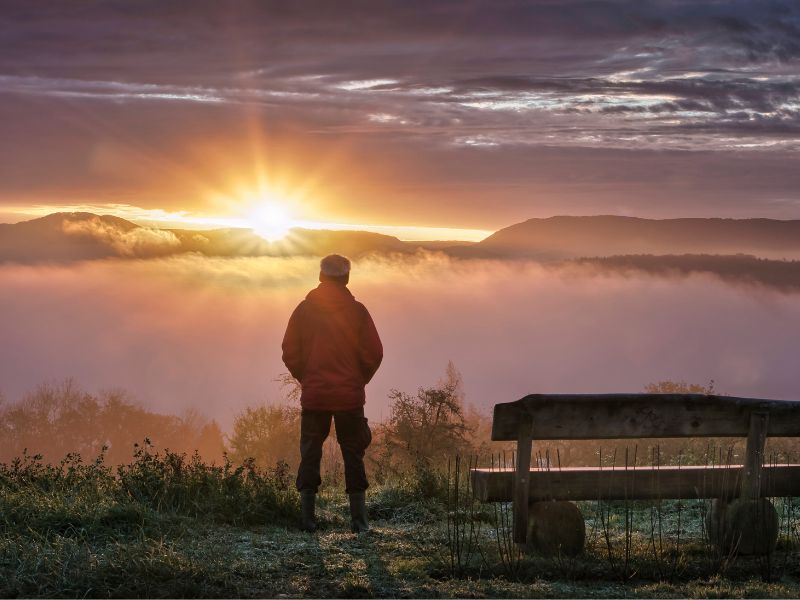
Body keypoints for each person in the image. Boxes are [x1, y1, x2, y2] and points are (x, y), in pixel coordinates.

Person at [282, 254, 383, 533]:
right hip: (349, 397)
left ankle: (307, 520)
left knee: (310, 453)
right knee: (353, 454)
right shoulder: (358, 312)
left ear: (321, 277)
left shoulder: (303, 310)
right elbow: (374, 353)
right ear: (346, 278)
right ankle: (360, 523)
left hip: (315, 397)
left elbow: (289, 351)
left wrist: (308, 378)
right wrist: (357, 380)